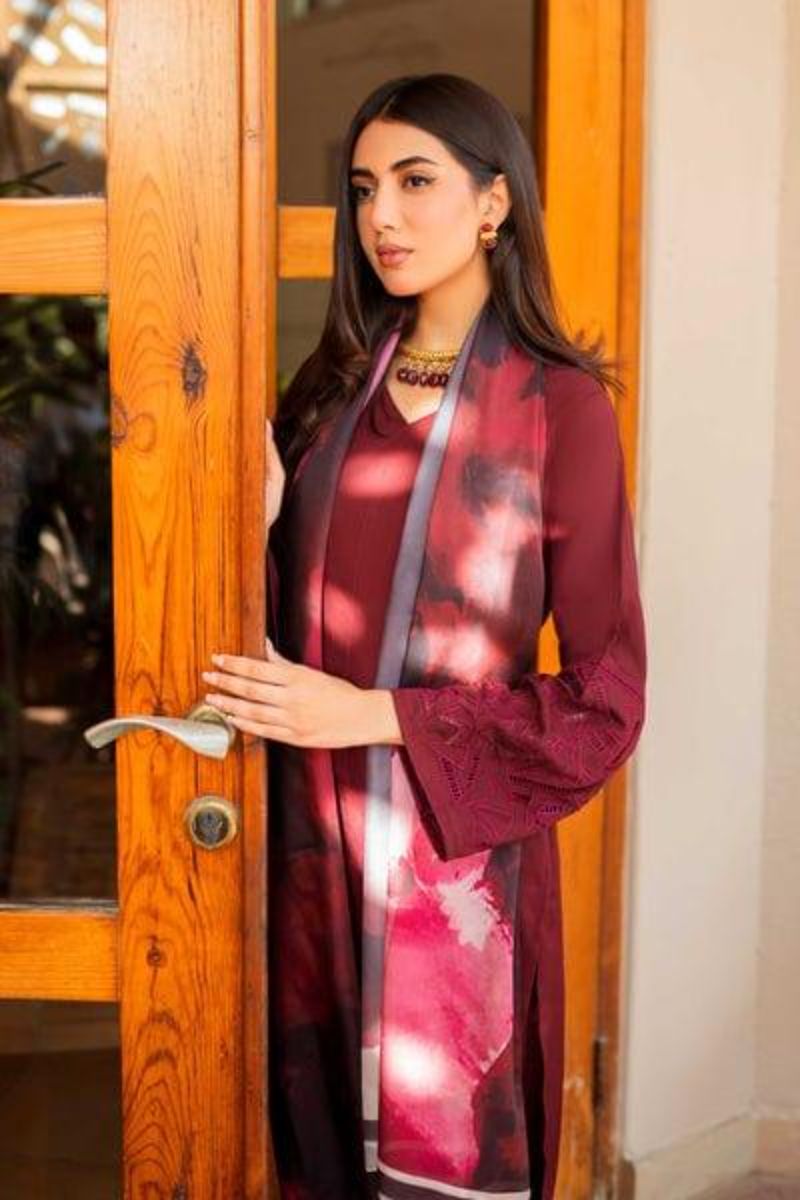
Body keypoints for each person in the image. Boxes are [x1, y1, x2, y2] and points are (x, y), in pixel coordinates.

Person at [201, 73, 647, 1200]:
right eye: (362, 190)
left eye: (414, 181)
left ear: (493, 203)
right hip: (302, 846)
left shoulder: (558, 409)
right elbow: (274, 620)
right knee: (298, 1145)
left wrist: (375, 714)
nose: (382, 217)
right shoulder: (327, 393)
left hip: (452, 869)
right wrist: (256, 526)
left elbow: (603, 699)